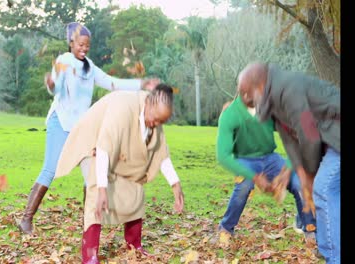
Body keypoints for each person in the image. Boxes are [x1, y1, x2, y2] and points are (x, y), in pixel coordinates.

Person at [18, 22, 160, 234]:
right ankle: (26, 220)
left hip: (81, 128)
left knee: (91, 176)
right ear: (71, 42)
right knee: (50, 170)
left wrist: (142, 84)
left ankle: (89, 222)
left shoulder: (89, 67)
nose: (84, 48)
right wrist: (50, 84)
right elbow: (55, 87)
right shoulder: (63, 60)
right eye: (80, 44)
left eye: (87, 45)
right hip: (61, 123)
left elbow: (112, 83)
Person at [54, 84, 184, 264]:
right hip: (91, 143)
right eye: (155, 119)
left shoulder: (153, 114)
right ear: (148, 103)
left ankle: (134, 245)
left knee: (135, 185)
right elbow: (104, 148)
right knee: (95, 194)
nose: (155, 125)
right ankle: (90, 255)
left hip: (115, 149)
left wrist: (175, 184)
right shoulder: (122, 109)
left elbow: (160, 151)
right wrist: (102, 189)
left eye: (160, 122)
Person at [237, 62, 340, 264]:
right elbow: (290, 141)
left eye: (246, 93)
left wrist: (310, 175)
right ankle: (330, 255)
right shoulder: (274, 102)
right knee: (323, 192)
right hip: (332, 143)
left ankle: (334, 258)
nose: (245, 98)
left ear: (259, 87)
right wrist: (303, 177)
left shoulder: (289, 88)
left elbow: (308, 134)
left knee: (324, 188)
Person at [216, 93, 317, 245]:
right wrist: (254, 177)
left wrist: (288, 168)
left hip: (270, 158)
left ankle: (310, 230)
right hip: (244, 159)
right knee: (244, 185)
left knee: (299, 182)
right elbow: (223, 155)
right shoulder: (231, 113)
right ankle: (225, 228)